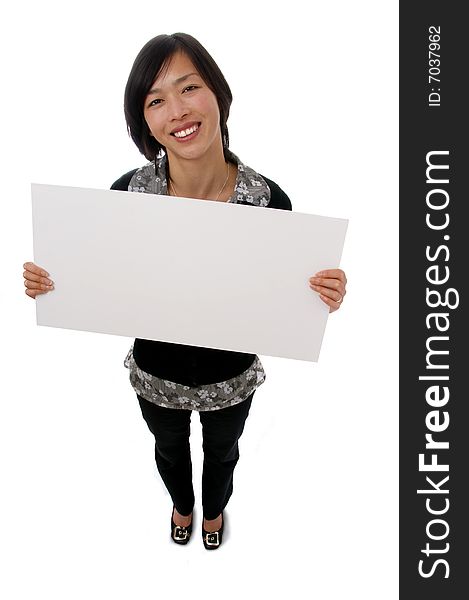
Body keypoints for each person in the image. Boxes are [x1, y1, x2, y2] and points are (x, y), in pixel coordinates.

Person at [23, 32, 347, 550]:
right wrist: (51, 280)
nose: (176, 110)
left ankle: (214, 512)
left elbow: (287, 292)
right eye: (155, 100)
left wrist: (323, 291)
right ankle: (182, 505)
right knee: (170, 452)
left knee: (223, 454)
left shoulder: (267, 200)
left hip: (232, 379)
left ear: (217, 94)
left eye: (188, 88)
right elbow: (98, 273)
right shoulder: (129, 195)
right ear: (144, 121)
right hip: (157, 375)